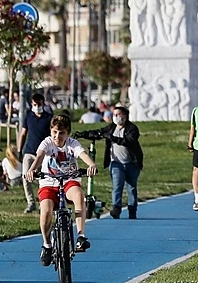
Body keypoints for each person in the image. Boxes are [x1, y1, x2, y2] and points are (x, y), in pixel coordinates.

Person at [26, 113, 98, 263]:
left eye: (62, 133)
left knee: (78, 195)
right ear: (50, 131)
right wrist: (32, 170)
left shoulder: (72, 144)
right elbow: (39, 156)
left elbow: (83, 154)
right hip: (49, 182)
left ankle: (81, 236)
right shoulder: (47, 143)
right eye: (54, 132)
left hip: (68, 181)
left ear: (68, 134)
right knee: (45, 210)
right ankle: (46, 245)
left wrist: (91, 165)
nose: (57, 136)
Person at [75, 104, 144, 219]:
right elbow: (98, 133)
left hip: (131, 163)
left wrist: (113, 138)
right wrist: (83, 134)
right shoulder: (111, 128)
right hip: (116, 163)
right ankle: (116, 208)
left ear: (125, 116)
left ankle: (132, 209)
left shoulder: (132, 129)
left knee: (131, 187)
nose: (116, 117)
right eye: (114, 115)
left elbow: (130, 141)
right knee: (117, 186)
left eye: (118, 115)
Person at [17, 92, 53, 214]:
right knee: (26, 177)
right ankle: (31, 202)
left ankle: (45, 201)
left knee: (43, 178)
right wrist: (19, 150)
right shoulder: (28, 117)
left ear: (43, 104)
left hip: (43, 153)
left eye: (39, 104)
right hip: (29, 151)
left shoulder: (48, 118)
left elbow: (52, 135)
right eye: (34, 104)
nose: (36, 106)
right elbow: (23, 134)